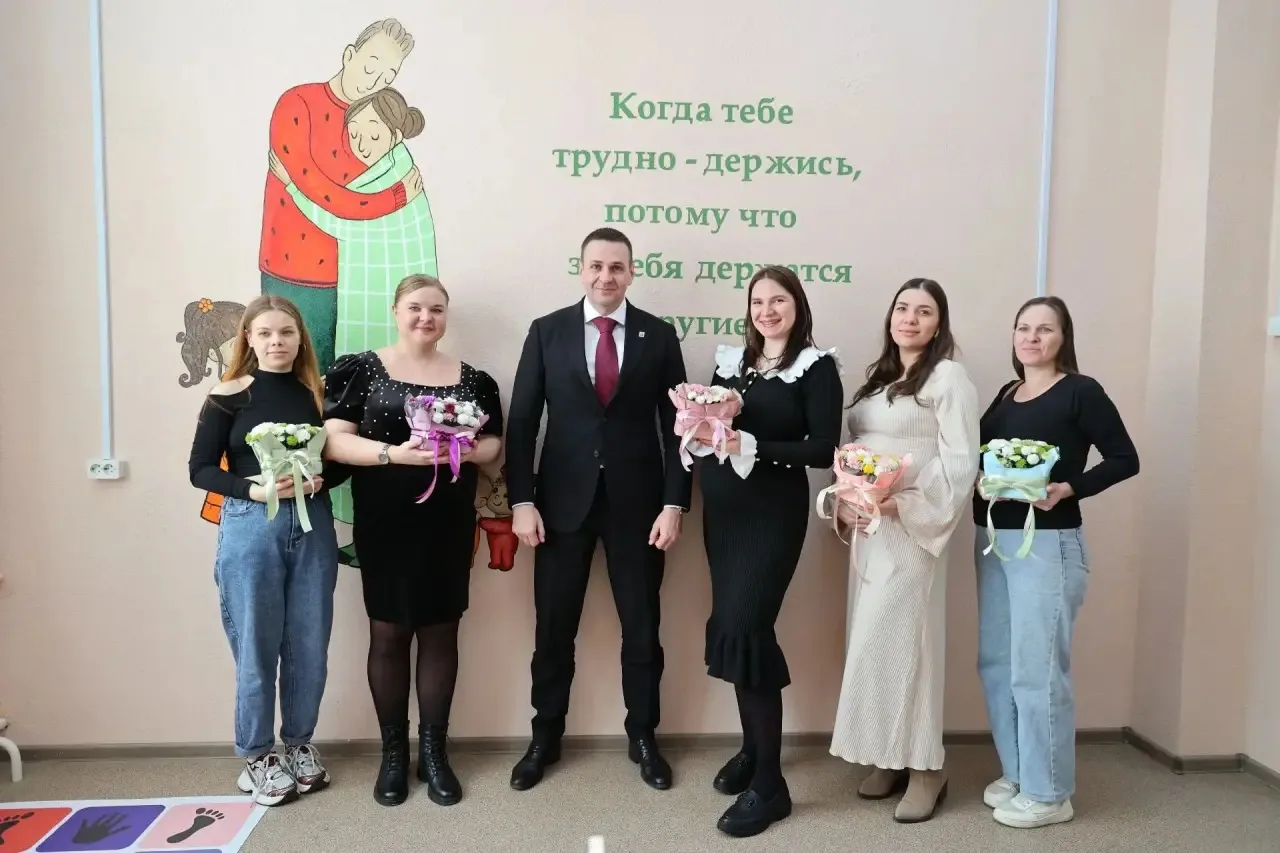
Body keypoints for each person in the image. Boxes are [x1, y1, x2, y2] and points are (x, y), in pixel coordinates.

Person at [505, 226, 692, 792]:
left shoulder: (659, 335)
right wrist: (521, 500)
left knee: (643, 628)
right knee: (553, 629)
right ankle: (544, 737)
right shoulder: (547, 331)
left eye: (616, 267)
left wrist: (675, 503)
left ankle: (644, 737)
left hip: (640, 508)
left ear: (631, 272)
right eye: (596, 266)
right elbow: (522, 423)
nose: (605, 276)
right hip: (559, 506)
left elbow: (680, 427)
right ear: (581, 269)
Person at [322, 275, 505, 807]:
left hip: (448, 521)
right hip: (385, 519)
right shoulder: (360, 369)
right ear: (396, 311)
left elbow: (494, 444)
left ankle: (434, 753)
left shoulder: (474, 379)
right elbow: (334, 442)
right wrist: (393, 454)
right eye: (416, 307)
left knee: (442, 632)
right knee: (389, 634)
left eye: (437, 309)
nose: (427, 317)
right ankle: (393, 755)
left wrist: (463, 449)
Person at [973, 296, 1138, 829]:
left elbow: (1125, 459)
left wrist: (1069, 488)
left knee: (1037, 669)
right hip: (995, 539)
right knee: (997, 663)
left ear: (1063, 337)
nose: (1032, 337)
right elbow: (982, 455)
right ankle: (1019, 772)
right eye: (1023, 327)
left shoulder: (1081, 391)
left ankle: (1049, 793)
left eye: (1044, 329)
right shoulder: (1007, 393)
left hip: (1048, 544)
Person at [692, 266, 844, 837]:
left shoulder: (816, 366)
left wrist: (749, 443)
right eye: (758, 301)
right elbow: (711, 424)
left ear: (797, 306)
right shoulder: (733, 362)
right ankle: (755, 749)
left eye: (778, 300)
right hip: (724, 517)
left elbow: (822, 448)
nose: (767, 310)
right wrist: (699, 429)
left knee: (747, 628)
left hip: (771, 517)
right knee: (732, 629)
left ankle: (771, 785)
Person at [828, 278, 981, 824]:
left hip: (913, 529)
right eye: (902, 308)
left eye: (923, 311)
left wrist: (905, 504)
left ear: (939, 324)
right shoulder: (877, 381)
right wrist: (845, 500)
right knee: (872, 646)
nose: (910, 319)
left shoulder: (949, 378)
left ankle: (925, 768)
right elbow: (852, 453)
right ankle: (888, 757)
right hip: (870, 529)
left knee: (911, 646)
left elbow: (961, 461)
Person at [269, 85, 437, 568]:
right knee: (355, 421)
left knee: (381, 420)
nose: (362, 144)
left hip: (381, 316)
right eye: (356, 133)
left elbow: (346, 218)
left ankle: (371, 529)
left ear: (395, 135)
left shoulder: (395, 177)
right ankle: (358, 527)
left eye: (373, 134)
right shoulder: (379, 172)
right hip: (366, 304)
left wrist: (292, 186)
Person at [187, 295, 343, 806]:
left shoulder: (318, 396)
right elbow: (200, 469)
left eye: (286, 333)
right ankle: (257, 755)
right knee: (256, 644)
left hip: (312, 524)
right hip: (252, 526)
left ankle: (298, 744)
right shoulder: (227, 395)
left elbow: (340, 459)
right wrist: (252, 489)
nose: (277, 342)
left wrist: (322, 480)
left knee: (310, 643)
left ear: (301, 340)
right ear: (249, 340)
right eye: (266, 333)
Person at [259, 17, 422, 375]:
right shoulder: (296, 103)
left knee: (346, 384)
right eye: (371, 66)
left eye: (388, 76)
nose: (375, 81)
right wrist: (394, 198)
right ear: (350, 55)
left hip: (352, 275)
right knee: (293, 378)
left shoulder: (376, 121)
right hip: (291, 269)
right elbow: (318, 190)